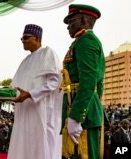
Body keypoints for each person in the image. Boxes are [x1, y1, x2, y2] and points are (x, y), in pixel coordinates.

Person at [7, 24, 63, 159]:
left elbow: (55, 81)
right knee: (23, 145)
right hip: (24, 111)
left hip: (41, 110)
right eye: (22, 38)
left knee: (40, 146)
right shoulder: (25, 61)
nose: (23, 41)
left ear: (37, 38)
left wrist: (31, 94)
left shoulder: (47, 53)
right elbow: (14, 88)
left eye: (26, 38)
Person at [60, 4, 105, 159]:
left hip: (82, 114)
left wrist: (77, 116)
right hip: (79, 106)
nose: (68, 27)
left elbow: (89, 81)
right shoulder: (81, 41)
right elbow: (99, 86)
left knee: (82, 154)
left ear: (84, 20)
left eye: (71, 21)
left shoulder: (87, 42)